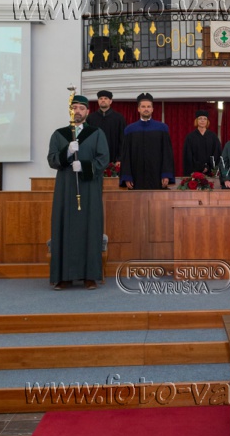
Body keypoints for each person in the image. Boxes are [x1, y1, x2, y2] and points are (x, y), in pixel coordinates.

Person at [47, 95, 109, 290]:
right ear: (70, 110)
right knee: (64, 227)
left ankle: (90, 276)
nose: (78, 111)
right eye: (75, 108)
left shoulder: (96, 133)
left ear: (88, 112)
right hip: (66, 188)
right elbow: (52, 159)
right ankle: (63, 276)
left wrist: (83, 166)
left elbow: (103, 159)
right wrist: (67, 152)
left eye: (82, 108)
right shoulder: (59, 134)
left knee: (90, 228)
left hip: (89, 188)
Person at [119, 92, 175, 189]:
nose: (146, 109)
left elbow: (167, 154)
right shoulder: (130, 130)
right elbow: (126, 156)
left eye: (149, 106)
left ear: (152, 109)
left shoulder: (162, 128)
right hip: (136, 177)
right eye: (143, 106)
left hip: (157, 176)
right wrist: (127, 176)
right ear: (138, 109)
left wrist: (166, 174)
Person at [88, 90, 126, 168]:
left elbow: (123, 139)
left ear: (110, 101)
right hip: (95, 160)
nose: (103, 100)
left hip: (114, 160)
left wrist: (120, 159)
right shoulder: (91, 118)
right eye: (101, 98)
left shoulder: (119, 118)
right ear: (98, 101)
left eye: (105, 98)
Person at [182, 109, 222, 176]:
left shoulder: (213, 136)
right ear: (196, 120)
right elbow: (188, 156)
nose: (202, 120)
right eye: (200, 118)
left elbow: (217, 153)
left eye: (205, 119)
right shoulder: (190, 137)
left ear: (207, 121)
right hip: (194, 172)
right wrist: (199, 167)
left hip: (210, 171)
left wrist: (208, 167)